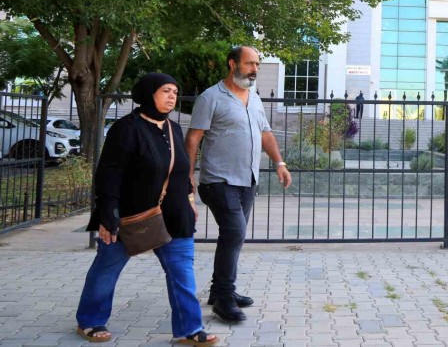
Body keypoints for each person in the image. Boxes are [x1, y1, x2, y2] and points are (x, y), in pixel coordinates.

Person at [76, 73, 217, 346]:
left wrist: (189, 200)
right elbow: (109, 174)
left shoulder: (174, 129)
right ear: (148, 93)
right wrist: (108, 214)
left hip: (174, 215)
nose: (172, 96)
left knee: (182, 273)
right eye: (166, 91)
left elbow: (180, 171)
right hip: (130, 216)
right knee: (106, 269)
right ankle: (90, 320)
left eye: (175, 91)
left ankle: (189, 328)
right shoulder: (126, 128)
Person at [186, 46, 292, 323]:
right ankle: (224, 298)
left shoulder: (254, 98)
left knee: (234, 236)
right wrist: (188, 175)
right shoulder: (210, 97)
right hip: (218, 180)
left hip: (248, 180)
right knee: (234, 232)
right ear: (232, 64)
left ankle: (219, 291)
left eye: (257, 64)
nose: (254, 69)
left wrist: (279, 163)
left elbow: (265, 133)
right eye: (249, 64)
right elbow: (194, 138)